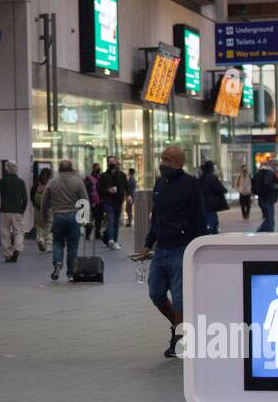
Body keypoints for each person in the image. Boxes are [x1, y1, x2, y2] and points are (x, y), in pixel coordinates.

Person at [133, 146, 207, 358]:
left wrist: (198, 248)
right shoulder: (160, 184)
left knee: (180, 298)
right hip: (161, 249)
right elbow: (155, 218)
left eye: (168, 160)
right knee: (155, 293)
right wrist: (148, 244)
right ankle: (180, 327)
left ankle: (179, 339)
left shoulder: (191, 185)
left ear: (179, 163)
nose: (163, 163)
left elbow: (200, 218)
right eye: (162, 159)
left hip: (182, 248)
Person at [40, 159, 88, 282]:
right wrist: (86, 220)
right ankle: (71, 273)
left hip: (58, 217)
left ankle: (58, 263)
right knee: (72, 246)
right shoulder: (78, 182)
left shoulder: (52, 182)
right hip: (73, 217)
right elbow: (84, 201)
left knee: (57, 242)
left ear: (59, 169)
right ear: (71, 169)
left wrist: (43, 214)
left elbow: (44, 201)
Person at [97, 157, 129, 249]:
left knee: (115, 222)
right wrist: (108, 190)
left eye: (113, 162)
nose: (112, 164)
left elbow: (126, 187)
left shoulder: (122, 175)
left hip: (118, 201)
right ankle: (111, 240)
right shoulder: (103, 176)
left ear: (116, 162)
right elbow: (99, 189)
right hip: (108, 202)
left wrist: (129, 196)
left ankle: (111, 239)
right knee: (111, 220)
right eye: (110, 162)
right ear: (107, 163)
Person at [199, 160, 228, 234]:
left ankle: (211, 232)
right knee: (213, 221)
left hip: (204, 202)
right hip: (211, 203)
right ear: (211, 167)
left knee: (209, 219)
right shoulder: (212, 177)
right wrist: (224, 190)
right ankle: (211, 234)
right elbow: (218, 188)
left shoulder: (202, 177)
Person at [31, 167, 53, 253]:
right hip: (49, 209)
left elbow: (32, 196)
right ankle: (48, 246)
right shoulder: (51, 184)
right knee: (48, 227)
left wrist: (35, 204)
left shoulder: (36, 184)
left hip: (38, 208)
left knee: (39, 226)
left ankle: (40, 239)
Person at [254, 160, 278, 232]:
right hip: (268, 198)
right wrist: (275, 186)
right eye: (276, 164)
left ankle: (262, 230)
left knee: (268, 218)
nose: (277, 166)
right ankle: (268, 231)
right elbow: (267, 183)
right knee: (270, 218)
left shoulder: (264, 172)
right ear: (272, 165)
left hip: (263, 198)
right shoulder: (270, 173)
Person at [84, 163, 105, 241]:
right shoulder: (88, 178)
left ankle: (97, 234)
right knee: (91, 219)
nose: (98, 169)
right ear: (93, 169)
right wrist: (90, 201)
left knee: (99, 219)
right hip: (92, 202)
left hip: (100, 202)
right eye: (96, 168)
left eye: (99, 168)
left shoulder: (101, 178)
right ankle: (88, 234)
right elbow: (87, 191)